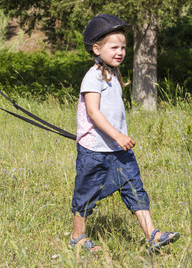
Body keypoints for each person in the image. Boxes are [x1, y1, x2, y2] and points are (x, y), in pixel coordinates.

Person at [69, 14, 179, 253]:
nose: (120, 51)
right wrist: (118, 135)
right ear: (96, 49)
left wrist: (118, 140)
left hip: (118, 151)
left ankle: (152, 234)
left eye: (123, 47)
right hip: (94, 150)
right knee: (86, 193)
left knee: (134, 188)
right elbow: (93, 112)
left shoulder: (115, 76)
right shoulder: (93, 76)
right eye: (114, 47)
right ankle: (78, 237)